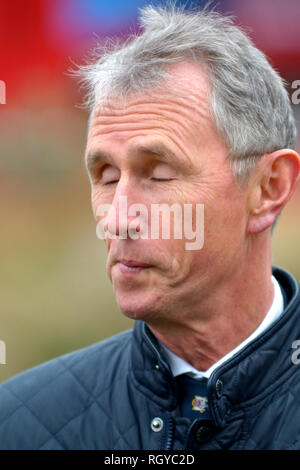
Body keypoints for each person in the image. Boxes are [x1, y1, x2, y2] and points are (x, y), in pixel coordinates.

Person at [0, 3, 300, 450]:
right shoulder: (19, 423)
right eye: (105, 176)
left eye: (158, 174)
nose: (118, 218)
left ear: (268, 188)